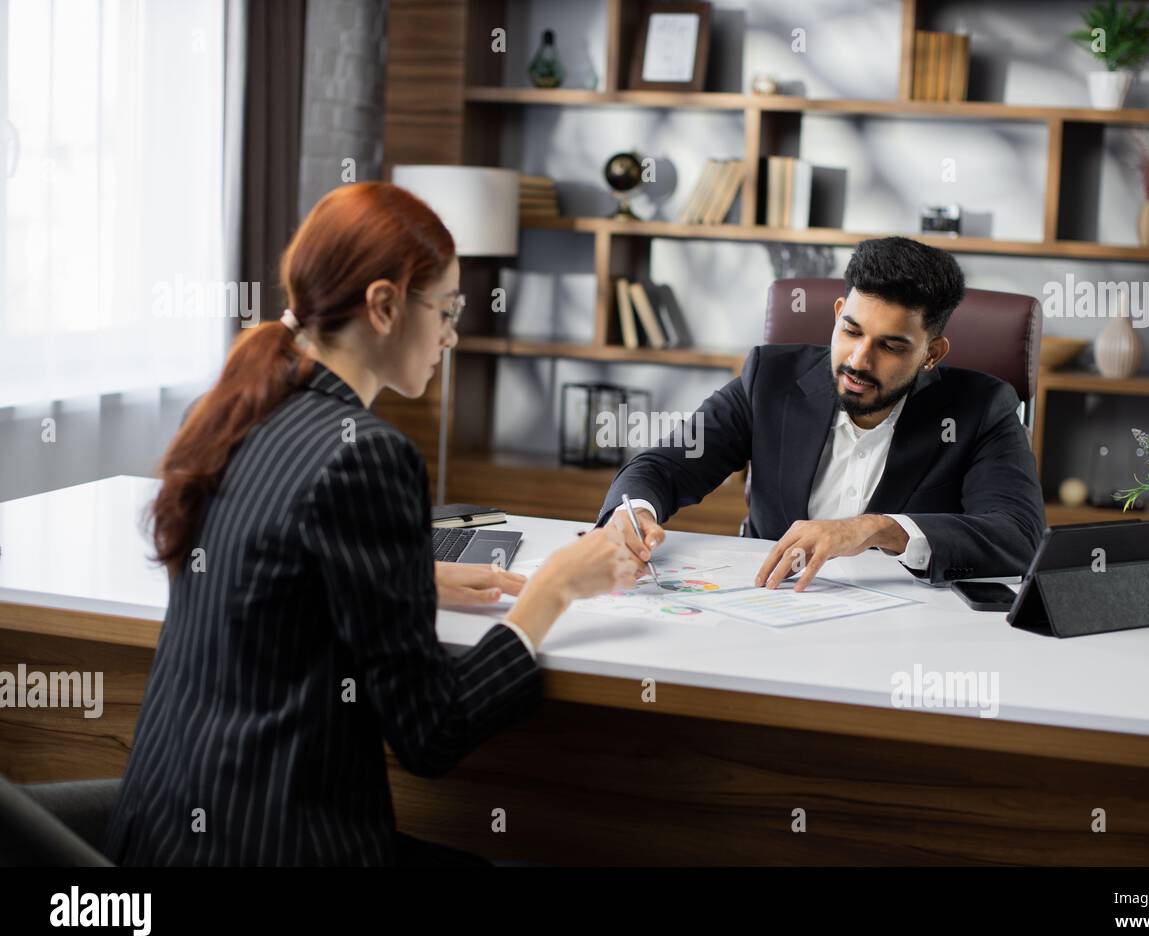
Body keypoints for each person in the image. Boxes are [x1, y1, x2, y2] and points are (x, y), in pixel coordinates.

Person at [104, 182, 644, 866]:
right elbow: (433, 733)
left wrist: (405, 578)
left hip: (156, 835)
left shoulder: (235, 410)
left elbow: (270, 573)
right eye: (445, 309)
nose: (451, 334)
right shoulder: (369, 456)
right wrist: (554, 591)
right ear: (384, 305)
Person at [598, 236, 1046, 588]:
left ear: (932, 353)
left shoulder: (982, 407)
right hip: (768, 604)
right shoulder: (770, 378)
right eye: (851, 331)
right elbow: (664, 467)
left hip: (904, 634)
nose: (858, 360)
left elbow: (1018, 537)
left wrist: (875, 530)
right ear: (837, 315)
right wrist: (635, 511)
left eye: (891, 346)